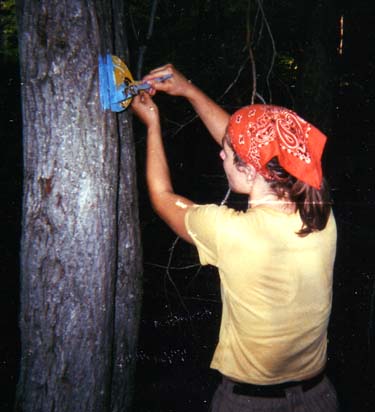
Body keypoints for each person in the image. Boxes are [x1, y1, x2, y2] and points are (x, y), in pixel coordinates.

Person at [131, 64, 339, 412]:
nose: (221, 152)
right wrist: (189, 91)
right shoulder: (321, 214)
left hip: (250, 404)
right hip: (318, 397)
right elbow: (253, 146)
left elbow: (163, 196)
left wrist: (153, 125)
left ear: (253, 169)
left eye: (228, 151)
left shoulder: (230, 232)